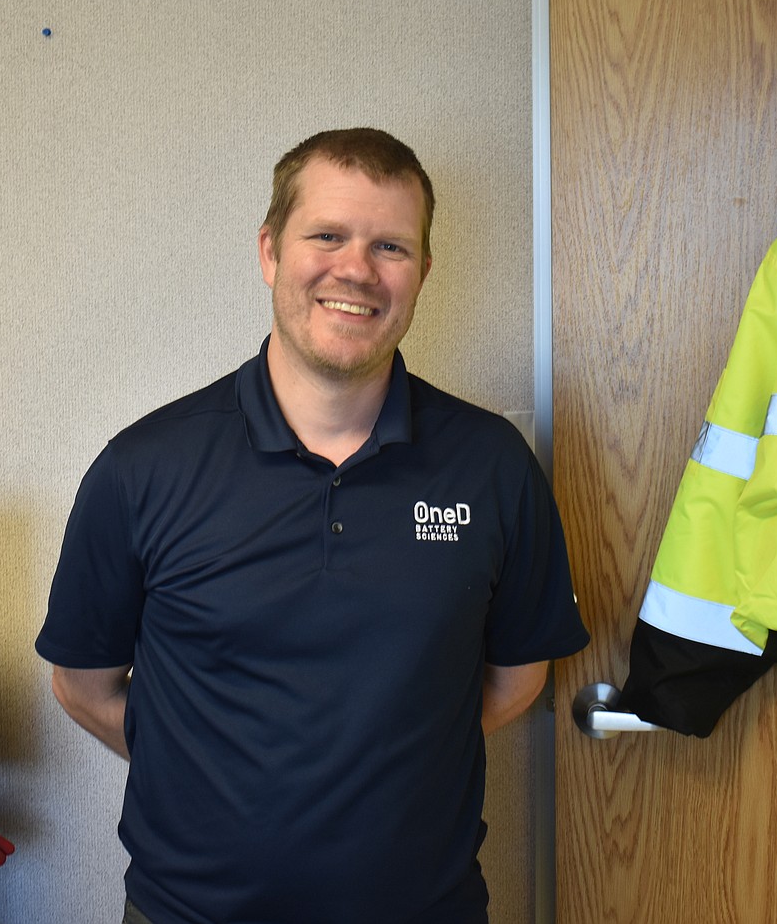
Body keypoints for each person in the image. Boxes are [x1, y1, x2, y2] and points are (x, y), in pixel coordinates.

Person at [35, 128, 590, 924]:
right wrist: (215, 772)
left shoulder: (493, 465)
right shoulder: (142, 467)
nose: (356, 269)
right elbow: (82, 686)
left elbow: (517, 679)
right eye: (326, 235)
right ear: (270, 251)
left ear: (423, 273)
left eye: (390, 246)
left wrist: (389, 759)